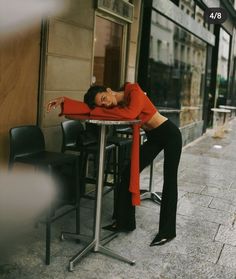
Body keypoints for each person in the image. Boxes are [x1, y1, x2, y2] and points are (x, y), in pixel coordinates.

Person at [47, 82, 182, 246]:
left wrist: (99, 110)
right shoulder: (117, 104)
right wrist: (65, 102)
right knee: (126, 175)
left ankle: (167, 232)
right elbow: (93, 111)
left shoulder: (134, 92)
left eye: (104, 98)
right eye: (101, 104)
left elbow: (130, 114)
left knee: (169, 181)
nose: (104, 104)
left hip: (169, 134)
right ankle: (124, 222)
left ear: (109, 90)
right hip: (153, 137)